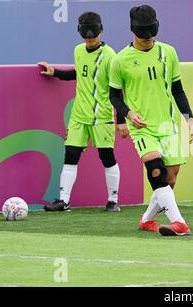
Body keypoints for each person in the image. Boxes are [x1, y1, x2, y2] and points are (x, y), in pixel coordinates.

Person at [109, 5, 193, 236]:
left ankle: (147, 220)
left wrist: (190, 120)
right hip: (142, 127)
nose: (149, 39)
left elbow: (178, 90)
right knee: (156, 170)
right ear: (134, 31)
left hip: (167, 124)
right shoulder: (120, 60)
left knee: (170, 178)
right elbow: (114, 95)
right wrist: (128, 115)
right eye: (144, 35)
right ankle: (179, 222)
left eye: (152, 34)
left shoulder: (168, 52)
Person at [39, 12, 127, 212]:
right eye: (86, 37)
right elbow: (80, 73)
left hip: (102, 116)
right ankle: (64, 201)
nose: (89, 40)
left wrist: (121, 119)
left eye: (93, 36)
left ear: (101, 31)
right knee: (70, 155)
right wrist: (56, 72)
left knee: (107, 156)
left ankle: (113, 200)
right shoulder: (78, 50)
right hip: (79, 115)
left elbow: (118, 89)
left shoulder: (110, 56)